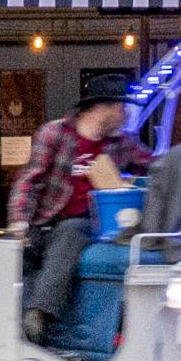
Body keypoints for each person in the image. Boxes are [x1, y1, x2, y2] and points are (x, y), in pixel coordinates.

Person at [13, 91, 132, 340]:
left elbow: (152, 162)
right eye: (121, 108)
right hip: (45, 220)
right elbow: (29, 180)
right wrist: (19, 220)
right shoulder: (54, 134)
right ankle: (17, 327)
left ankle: (38, 313)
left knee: (69, 235)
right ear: (102, 108)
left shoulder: (120, 143)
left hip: (86, 221)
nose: (126, 114)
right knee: (22, 252)